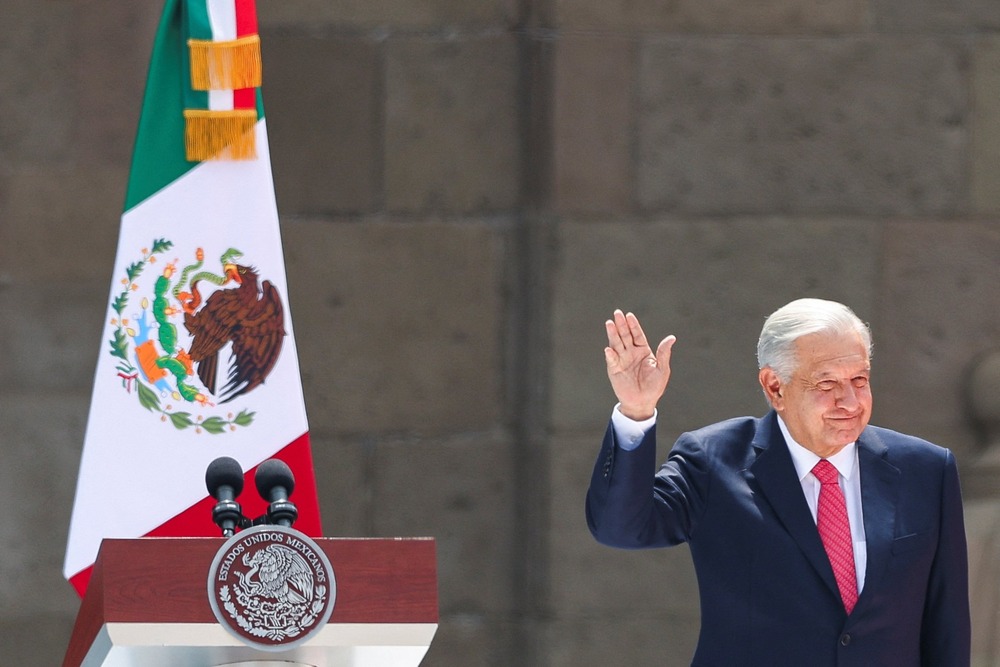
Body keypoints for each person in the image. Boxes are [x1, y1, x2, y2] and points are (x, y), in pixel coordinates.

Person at [586, 298, 970, 666]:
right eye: (827, 384)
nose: (850, 401)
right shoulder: (713, 460)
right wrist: (636, 411)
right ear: (775, 387)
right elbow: (622, 530)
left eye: (859, 379)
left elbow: (946, 621)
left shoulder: (925, 469)